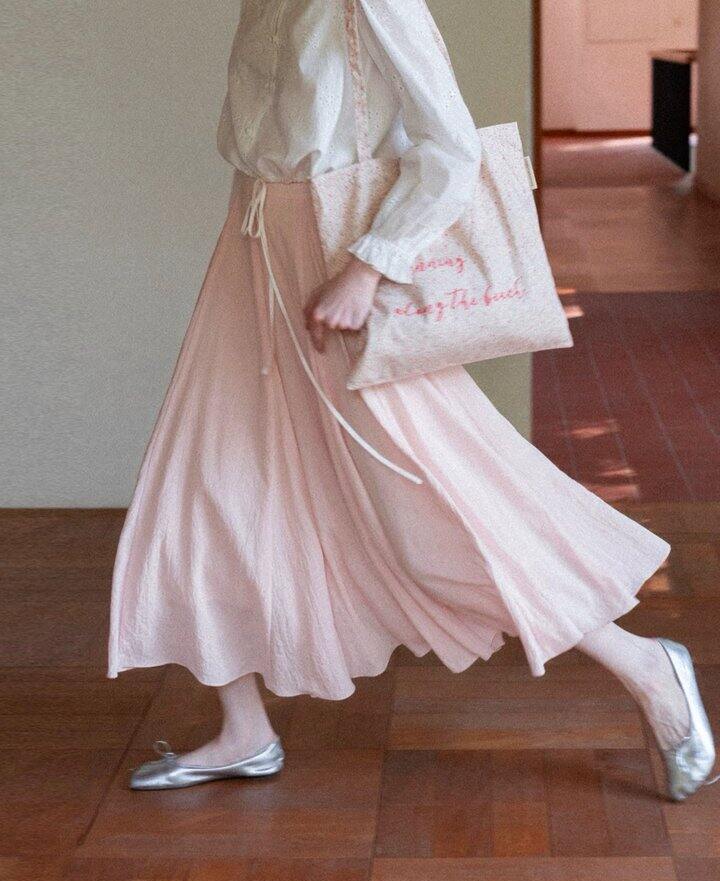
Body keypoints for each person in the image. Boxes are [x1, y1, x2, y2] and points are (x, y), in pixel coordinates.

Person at [107, 0, 717, 801]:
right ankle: (243, 730)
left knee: (436, 495)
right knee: (208, 475)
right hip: (253, 241)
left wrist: (370, 267)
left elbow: (450, 144)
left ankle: (643, 664)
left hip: (338, 263)